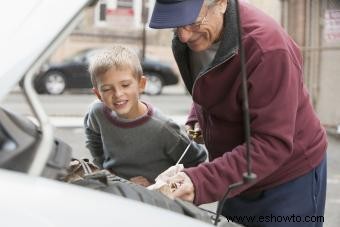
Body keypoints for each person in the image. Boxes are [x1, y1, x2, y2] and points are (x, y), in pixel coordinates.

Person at [149, 0, 327, 226]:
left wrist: (199, 182)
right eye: (174, 26)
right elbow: (210, 79)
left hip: (288, 179)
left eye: (192, 23)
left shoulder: (267, 49)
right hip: (235, 173)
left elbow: (272, 143)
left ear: (222, 3)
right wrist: (197, 115)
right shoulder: (194, 35)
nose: (183, 36)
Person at [83, 45, 207, 187]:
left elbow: (196, 160)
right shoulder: (97, 112)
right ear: (98, 94)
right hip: (115, 190)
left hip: (152, 199)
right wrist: (105, 171)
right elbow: (92, 137)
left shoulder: (163, 128)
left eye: (125, 85)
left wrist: (158, 186)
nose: (118, 94)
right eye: (107, 89)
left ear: (141, 84)